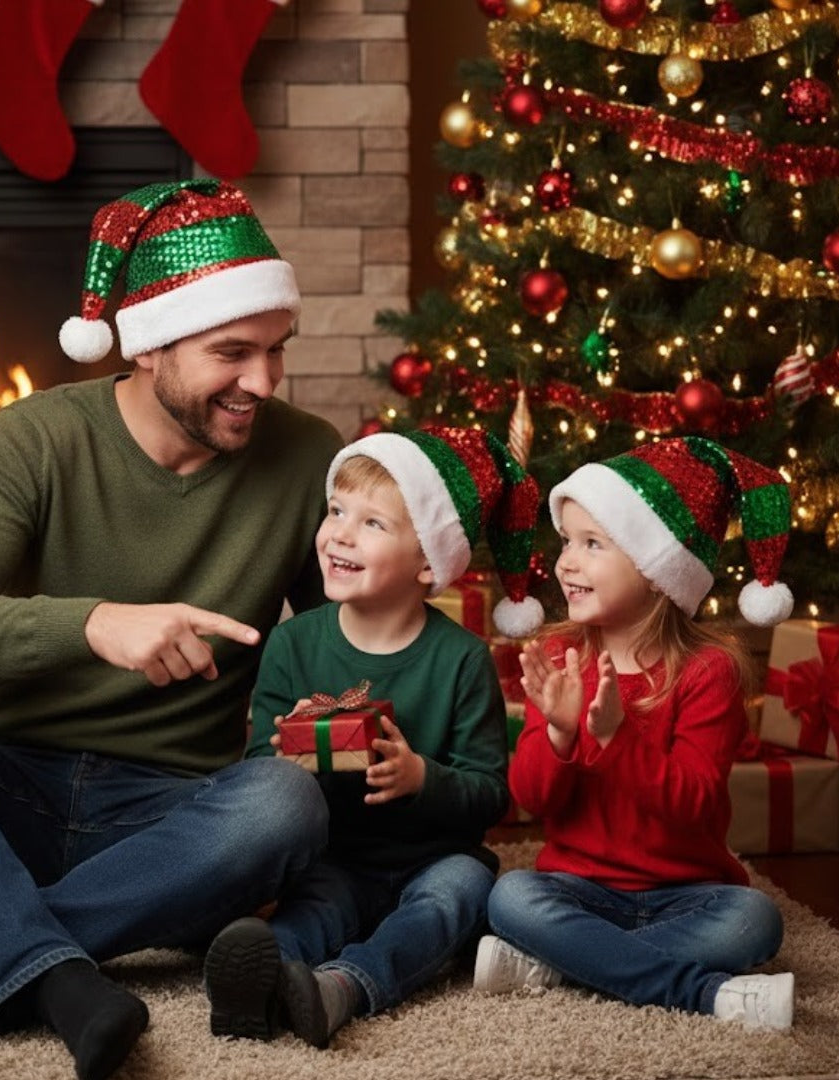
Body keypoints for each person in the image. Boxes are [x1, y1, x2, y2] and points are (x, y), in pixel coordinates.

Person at [0, 179, 345, 1080]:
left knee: (286, 803)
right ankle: (49, 971)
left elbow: (341, 647)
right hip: (3, 793)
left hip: (169, 819)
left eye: (278, 351)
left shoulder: (310, 454)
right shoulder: (35, 438)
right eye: (233, 352)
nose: (264, 383)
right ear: (149, 343)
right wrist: (95, 625)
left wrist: (352, 702)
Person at [202, 425, 545, 1048]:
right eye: (336, 511)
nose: (339, 532)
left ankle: (344, 988)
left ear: (428, 563)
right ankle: (258, 979)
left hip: (434, 859)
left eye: (372, 524)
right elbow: (256, 762)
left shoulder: (463, 661)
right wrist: (287, 760)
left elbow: (492, 792)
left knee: (461, 895)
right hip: (335, 857)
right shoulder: (293, 642)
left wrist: (421, 778)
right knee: (313, 909)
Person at [475, 436, 797, 1032]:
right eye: (568, 540)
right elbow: (531, 797)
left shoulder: (709, 672)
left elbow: (694, 805)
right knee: (510, 896)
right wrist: (562, 738)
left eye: (592, 544)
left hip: (687, 892)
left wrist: (620, 738)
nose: (566, 561)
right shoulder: (560, 654)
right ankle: (705, 993)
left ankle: (567, 962)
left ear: (656, 571)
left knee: (755, 919)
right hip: (576, 887)